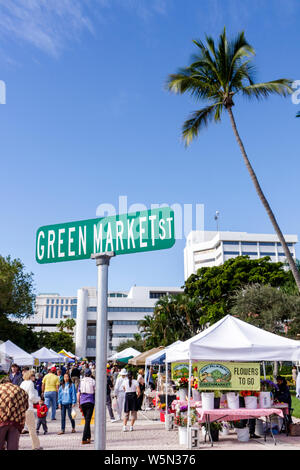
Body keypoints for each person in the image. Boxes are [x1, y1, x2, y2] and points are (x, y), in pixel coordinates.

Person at [0, 377, 29, 450]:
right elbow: (26, 406)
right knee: (13, 447)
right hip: (16, 421)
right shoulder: (20, 390)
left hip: (1, 420)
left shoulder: (0, 388)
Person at [20, 370, 42, 450]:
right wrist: (38, 399)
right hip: (29, 407)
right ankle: (35, 446)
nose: (34, 377)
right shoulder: (30, 384)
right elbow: (32, 397)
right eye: (33, 376)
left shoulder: (22, 383)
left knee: (19, 428)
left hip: (22, 408)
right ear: (30, 376)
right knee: (32, 428)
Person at [77, 369, 95, 445]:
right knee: (87, 421)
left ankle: (89, 436)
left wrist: (79, 403)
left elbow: (78, 393)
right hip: (90, 402)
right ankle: (84, 438)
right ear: (90, 374)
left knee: (87, 420)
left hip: (83, 402)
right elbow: (96, 391)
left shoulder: (81, 381)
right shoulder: (93, 381)